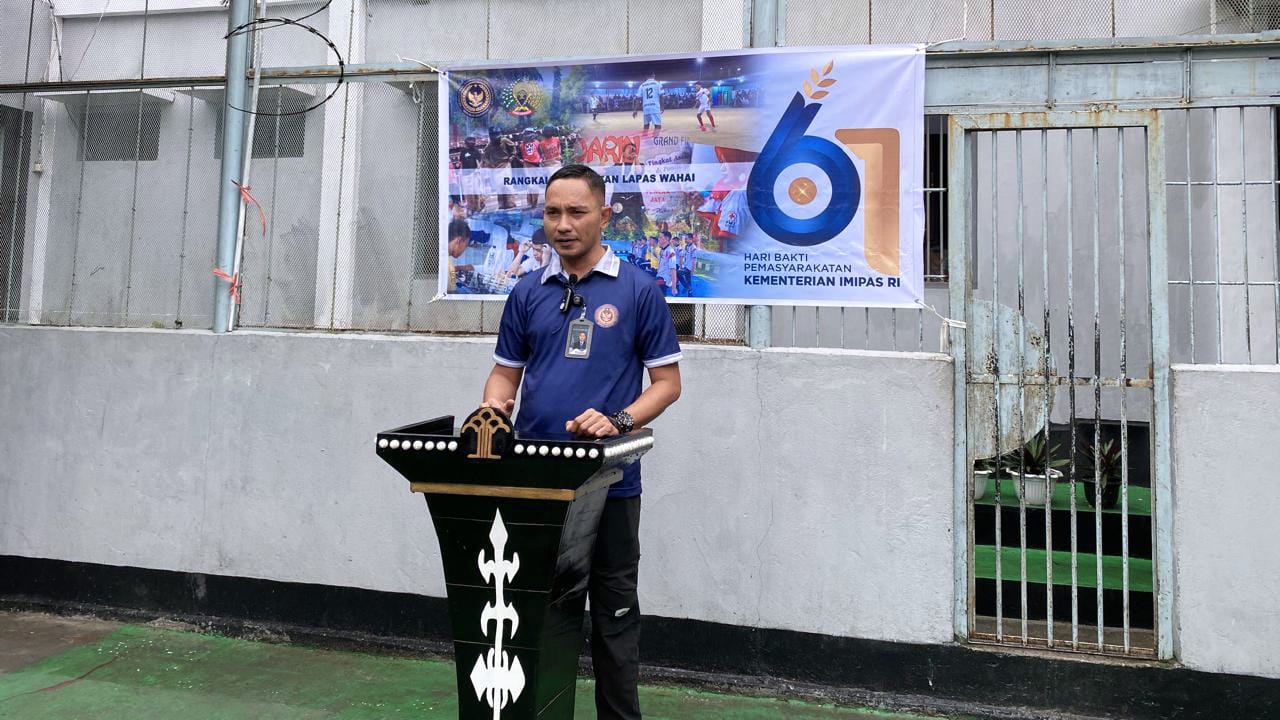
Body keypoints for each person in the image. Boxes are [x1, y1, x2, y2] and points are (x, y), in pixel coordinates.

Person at [481, 164, 681, 720]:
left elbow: (667, 385)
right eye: (552, 213)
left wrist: (618, 419)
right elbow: (505, 375)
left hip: (610, 484)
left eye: (576, 212)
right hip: (535, 484)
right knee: (535, 615)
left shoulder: (638, 290)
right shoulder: (528, 291)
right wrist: (494, 406)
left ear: (604, 215)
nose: (563, 225)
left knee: (613, 616)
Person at [446, 218, 474, 292]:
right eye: (466, 245)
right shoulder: (449, 264)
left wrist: (461, 268)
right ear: (459, 241)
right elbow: (452, 293)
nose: (465, 249)